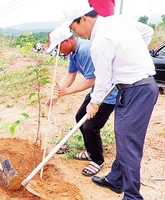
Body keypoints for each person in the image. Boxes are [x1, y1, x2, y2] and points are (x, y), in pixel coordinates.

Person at [62, 0, 158, 199]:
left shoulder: (100, 41)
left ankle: (132, 196)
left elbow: (103, 80)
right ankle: (116, 179)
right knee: (123, 138)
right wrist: (129, 55)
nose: (77, 33)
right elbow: (147, 31)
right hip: (133, 88)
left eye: (74, 27)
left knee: (129, 144)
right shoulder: (118, 21)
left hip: (137, 91)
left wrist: (93, 103)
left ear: (85, 19)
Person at [45, 26, 117, 176]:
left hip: (108, 94)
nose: (58, 51)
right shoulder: (73, 53)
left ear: (66, 41)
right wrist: (57, 95)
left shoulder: (86, 51)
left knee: (91, 126)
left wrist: (68, 91)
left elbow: (93, 80)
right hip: (96, 91)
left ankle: (98, 160)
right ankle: (91, 151)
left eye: (58, 47)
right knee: (80, 117)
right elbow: (70, 75)